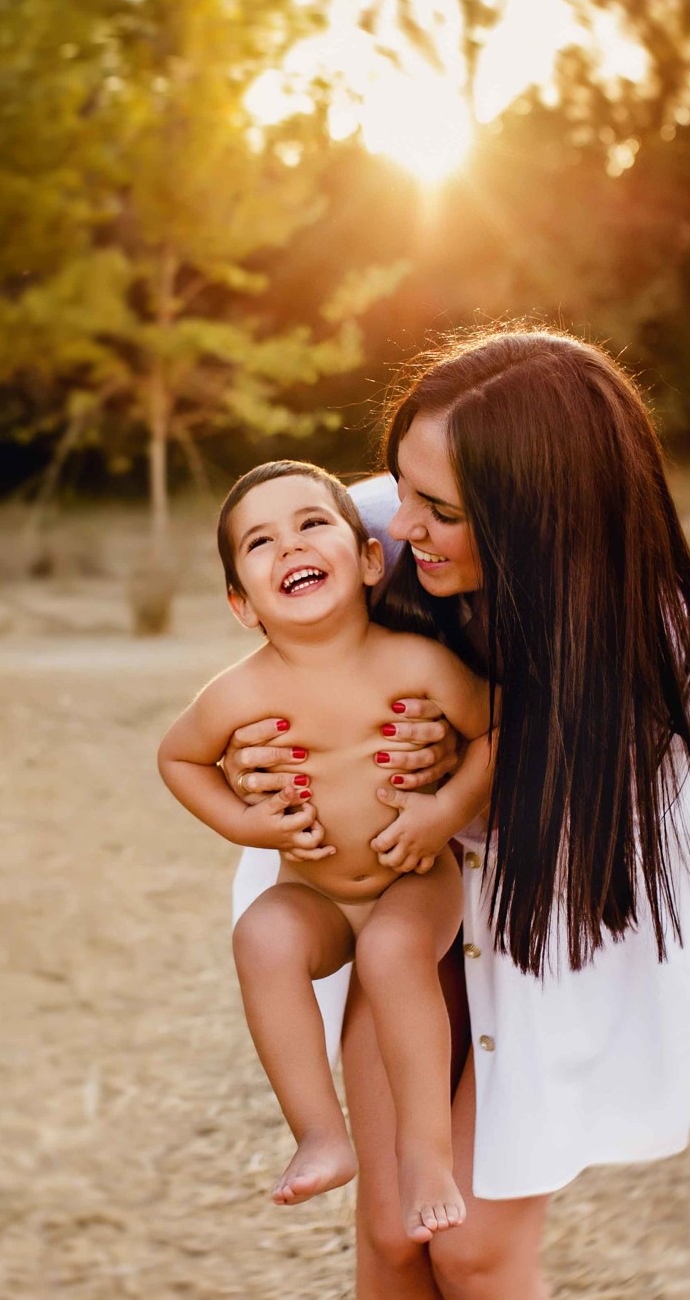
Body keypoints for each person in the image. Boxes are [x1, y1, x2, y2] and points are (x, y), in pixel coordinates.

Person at [222, 330, 690, 1297]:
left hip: (550, 922)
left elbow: (606, 843)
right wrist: (257, 753)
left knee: (473, 1250)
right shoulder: (382, 526)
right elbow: (278, 626)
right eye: (402, 487)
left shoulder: (661, 643)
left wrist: (459, 774)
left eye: (441, 510)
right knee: (393, 1234)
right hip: (404, 901)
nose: (403, 522)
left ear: (537, 520)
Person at [159, 460, 497, 1243]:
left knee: (390, 949)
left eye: (312, 524)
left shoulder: (416, 662)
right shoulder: (238, 692)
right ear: (242, 603)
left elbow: (493, 729)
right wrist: (249, 825)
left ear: (371, 559)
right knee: (261, 935)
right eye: (260, 541)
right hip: (315, 891)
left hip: (414, 876)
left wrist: (444, 810)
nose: (290, 545)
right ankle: (319, 1132)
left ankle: (426, 1154)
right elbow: (177, 759)